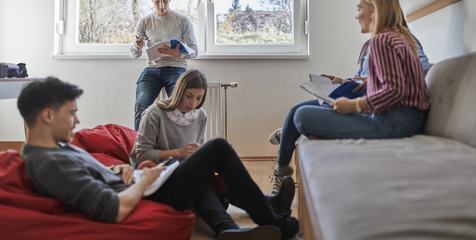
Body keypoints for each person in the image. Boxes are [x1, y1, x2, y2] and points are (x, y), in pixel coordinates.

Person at [18, 77, 298, 240]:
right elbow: (109, 208)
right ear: (47, 115)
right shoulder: (49, 162)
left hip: (142, 183)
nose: (77, 120)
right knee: (218, 149)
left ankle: (238, 226)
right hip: (147, 194)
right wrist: (145, 180)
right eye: (71, 112)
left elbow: (94, 178)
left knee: (203, 160)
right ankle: (274, 221)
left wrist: (118, 170)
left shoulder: (57, 149)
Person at [269, 0, 430, 194]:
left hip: (393, 122)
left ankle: (305, 138)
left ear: (374, 11)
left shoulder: (381, 40)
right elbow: (400, 87)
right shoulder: (401, 38)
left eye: (360, 9)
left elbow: (394, 90)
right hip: (410, 120)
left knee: (301, 116)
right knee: (302, 113)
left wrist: (355, 105)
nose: (357, 16)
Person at [130, 69, 296, 233]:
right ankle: (271, 218)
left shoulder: (199, 115)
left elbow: (196, 149)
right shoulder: (154, 114)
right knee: (219, 147)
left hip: (185, 177)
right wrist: (178, 152)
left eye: (199, 98)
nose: (193, 103)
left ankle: (228, 229)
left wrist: (199, 156)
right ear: (179, 91)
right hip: (161, 182)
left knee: (213, 173)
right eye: (189, 96)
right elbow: (142, 155)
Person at [131, 0, 198, 131]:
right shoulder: (145, 22)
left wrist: (179, 53)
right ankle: (139, 149)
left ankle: (178, 149)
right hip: (152, 70)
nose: (161, 5)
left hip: (175, 69)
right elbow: (134, 55)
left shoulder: (182, 21)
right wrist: (137, 46)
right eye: (157, 2)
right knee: (141, 105)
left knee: (179, 107)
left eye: (165, 1)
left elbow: (194, 50)